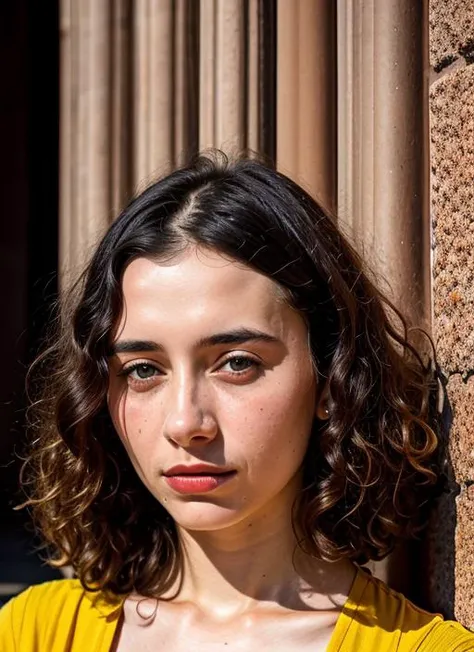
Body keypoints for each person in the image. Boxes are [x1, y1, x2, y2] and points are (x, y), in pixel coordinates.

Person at [1, 152, 473, 651]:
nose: (185, 422)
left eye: (237, 363)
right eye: (143, 370)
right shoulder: (33, 634)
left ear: (331, 378)